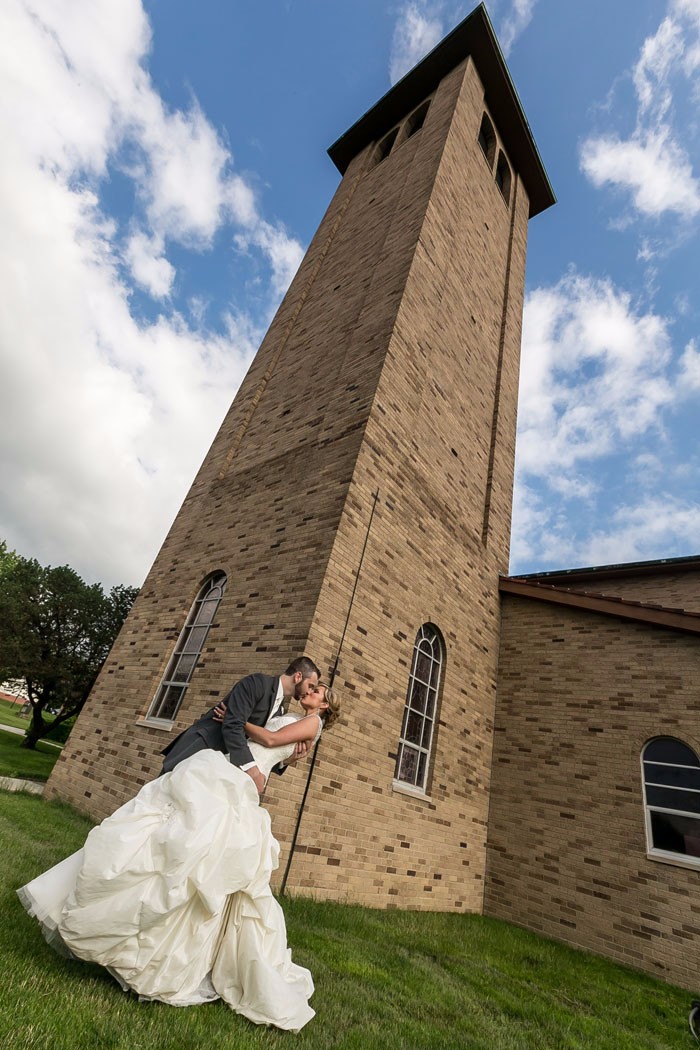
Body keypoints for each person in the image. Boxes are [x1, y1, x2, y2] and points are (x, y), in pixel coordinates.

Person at [17, 683, 341, 1032]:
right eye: (312, 685)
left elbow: (273, 742)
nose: (311, 689)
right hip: (232, 771)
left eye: (318, 690)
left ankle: (163, 950)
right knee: (174, 842)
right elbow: (281, 748)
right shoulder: (294, 717)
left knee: (197, 854)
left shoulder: (313, 724)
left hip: (239, 780)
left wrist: (235, 719)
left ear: (324, 705)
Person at [160, 655, 321, 793]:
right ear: (298, 676)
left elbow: (257, 747)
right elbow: (232, 726)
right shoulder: (256, 683)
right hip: (199, 751)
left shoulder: (280, 711)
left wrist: (285, 761)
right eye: (311, 685)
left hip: (221, 771)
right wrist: (250, 769)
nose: (309, 691)